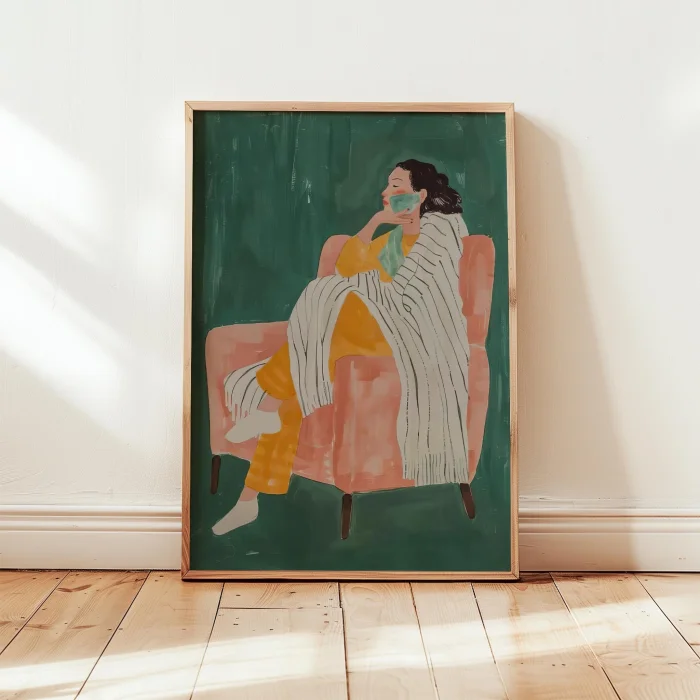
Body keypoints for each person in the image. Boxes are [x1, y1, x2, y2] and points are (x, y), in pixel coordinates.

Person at [213, 159, 470, 535]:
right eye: (387, 186)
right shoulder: (391, 243)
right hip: (364, 338)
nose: (385, 193)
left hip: (409, 342)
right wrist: (375, 222)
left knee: (335, 301)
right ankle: (247, 501)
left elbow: (405, 299)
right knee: (294, 396)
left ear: (420, 195)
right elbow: (348, 270)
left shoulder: (438, 237)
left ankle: (265, 404)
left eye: (396, 186)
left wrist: (360, 293)